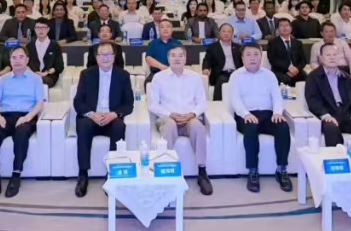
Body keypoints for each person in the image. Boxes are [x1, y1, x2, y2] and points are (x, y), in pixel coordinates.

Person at [147, 45, 213, 195]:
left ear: (185, 58)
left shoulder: (195, 77)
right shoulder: (159, 78)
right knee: (170, 125)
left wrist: (192, 114)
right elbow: (153, 105)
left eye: (180, 55)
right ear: (168, 58)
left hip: (189, 118)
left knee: (198, 127)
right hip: (167, 118)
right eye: (173, 55)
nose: (177, 58)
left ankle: (202, 172)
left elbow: (202, 103)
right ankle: (167, 171)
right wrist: (170, 114)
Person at [72, 41, 134, 197]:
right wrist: (92, 114)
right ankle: (83, 175)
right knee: (83, 125)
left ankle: (112, 173)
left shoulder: (123, 75)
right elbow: (78, 101)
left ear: (114, 56)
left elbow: (129, 104)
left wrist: (114, 114)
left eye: (109, 54)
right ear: (96, 57)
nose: (105, 58)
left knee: (119, 126)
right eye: (102, 55)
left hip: (111, 117)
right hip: (92, 117)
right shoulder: (86, 74)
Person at [229, 43, 292, 193]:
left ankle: (282, 170)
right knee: (250, 129)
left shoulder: (269, 75)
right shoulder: (236, 76)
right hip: (246, 115)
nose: (252, 58)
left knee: (283, 127)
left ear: (261, 57)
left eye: (256, 54)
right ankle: (253, 172)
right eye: (248, 55)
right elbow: (235, 100)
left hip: (268, 114)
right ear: (242, 58)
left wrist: (277, 112)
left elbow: (277, 97)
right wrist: (246, 114)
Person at [0, 47, 47, 198]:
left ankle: (16, 175)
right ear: (10, 61)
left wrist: (27, 118)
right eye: (14, 57)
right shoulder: (2, 79)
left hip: (26, 116)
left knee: (21, 133)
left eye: (21, 57)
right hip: (5, 115)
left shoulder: (36, 79)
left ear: (27, 60)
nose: (17, 60)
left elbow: (39, 103)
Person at [305, 44, 351, 154]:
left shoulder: (346, 77)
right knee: (331, 128)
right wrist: (326, 115)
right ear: (321, 58)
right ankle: (338, 161)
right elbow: (313, 100)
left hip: (347, 116)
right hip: (328, 117)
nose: (332, 57)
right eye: (328, 55)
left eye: (335, 54)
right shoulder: (313, 77)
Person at [309, 22, 351, 98]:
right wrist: (322, 71)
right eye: (327, 31)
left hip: (343, 69)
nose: (330, 34)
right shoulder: (316, 46)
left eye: (332, 31)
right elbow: (313, 62)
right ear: (322, 33)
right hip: (327, 71)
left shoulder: (342, 43)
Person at [202, 23, 242, 100]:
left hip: (236, 73)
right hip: (220, 74)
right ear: (219, 33)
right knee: (222, 79)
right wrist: (206, 68)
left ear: (232, 34)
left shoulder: (238, 47)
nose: (226, 33)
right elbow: (207, 60)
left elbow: (243, 61)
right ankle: (218, 104)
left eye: (229, 32)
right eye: (224, 31)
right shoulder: (213, 47)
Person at [267, 18, 307, 85]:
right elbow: (273, 59)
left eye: (286, 25)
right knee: (283, 80)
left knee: (307, 80)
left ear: (291, 28)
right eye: (281, 26)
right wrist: (288, 67)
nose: (284, 28)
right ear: (278, 29)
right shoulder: (273, 42)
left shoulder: (297, 42)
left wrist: (296, 69)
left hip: (296, 71)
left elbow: (303, 60)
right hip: (280, 71)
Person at [26, 18, 64, 88]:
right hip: (32, 75)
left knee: (38, 81)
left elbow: (59, 66)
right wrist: (33, 73)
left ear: (48, 29)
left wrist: (46, 73)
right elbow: (25, 63)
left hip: (49, 76)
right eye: (38, 28)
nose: (40, 30)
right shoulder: (29, 45)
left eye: (43, 27)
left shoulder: (55, 45)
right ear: (34, 29)